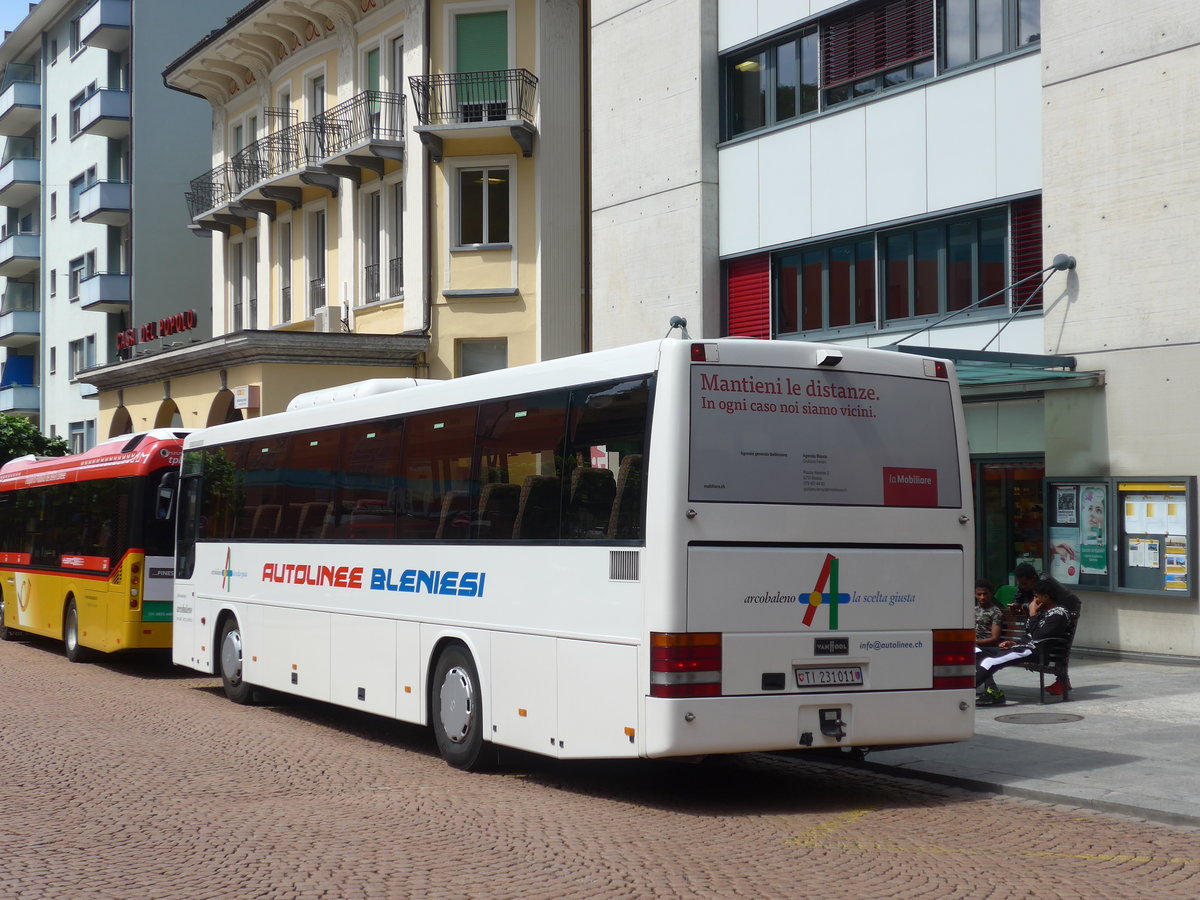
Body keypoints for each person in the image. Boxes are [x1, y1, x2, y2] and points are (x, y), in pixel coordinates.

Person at [975, 577, 1074, 706]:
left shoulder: (1059, 614)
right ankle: (993, 692)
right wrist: (1013, 643)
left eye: (1037, 596)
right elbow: (1028, 635)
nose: (1035, 600)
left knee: (989, 661)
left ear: (1046, 597)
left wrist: (1032, 614)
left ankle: (962, 694)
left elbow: (1038, 637)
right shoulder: (1042, 611)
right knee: (973, 650)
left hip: (1034, 652)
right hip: (1022, 648)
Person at [974, 579, 1003, 648]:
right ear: (975, 595)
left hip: (986, 647)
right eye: (979, 594)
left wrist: (975, 643)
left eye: (985, 594)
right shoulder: (973, 610)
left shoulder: (996, 612)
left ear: (991, 593)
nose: (982, 597)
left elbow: (995, 638)